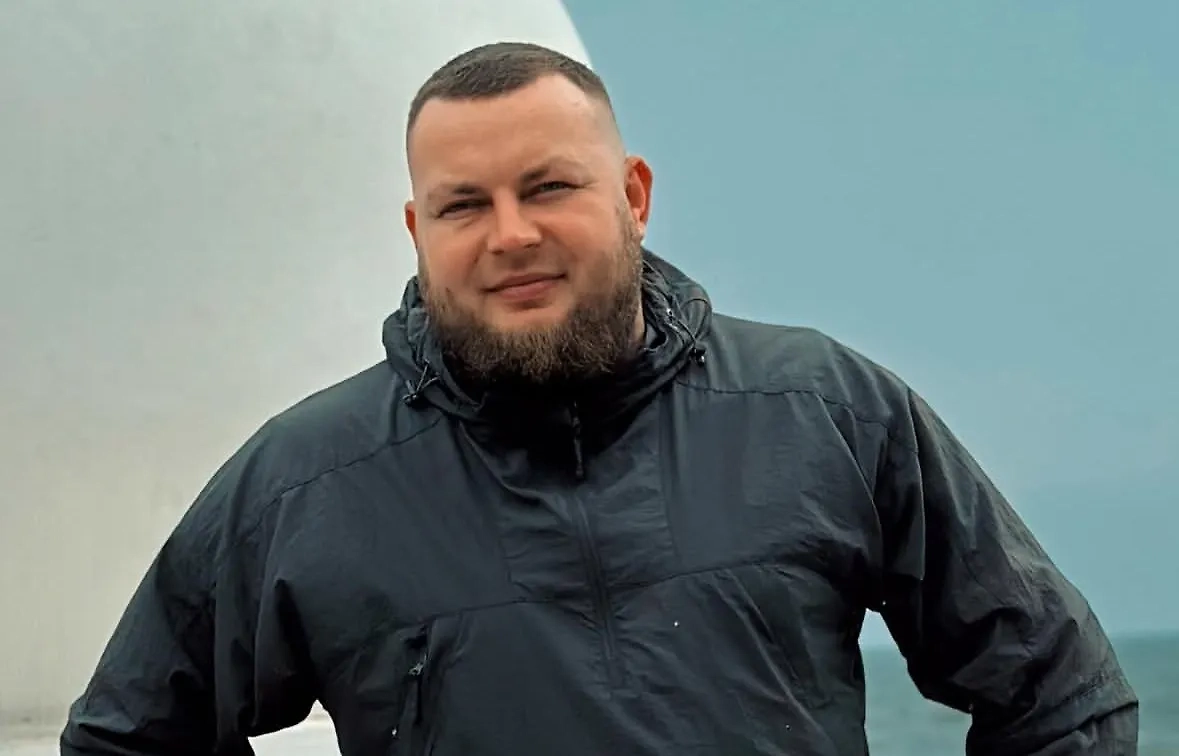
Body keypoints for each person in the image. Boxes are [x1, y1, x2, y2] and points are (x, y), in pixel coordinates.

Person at [61, 41, 1138, 756]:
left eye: (548, 187)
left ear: (633, 195)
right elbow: (128, 738)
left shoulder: (826, 412)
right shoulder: (306, 482)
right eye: (464, 205)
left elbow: (1061, 696)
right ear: (419, 232)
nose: (511, 234)